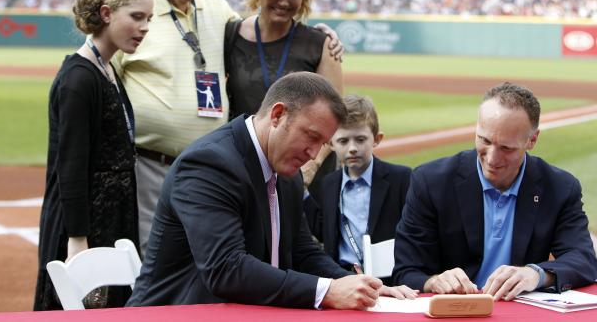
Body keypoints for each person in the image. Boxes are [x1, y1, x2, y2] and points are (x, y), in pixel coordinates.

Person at [112, 0, 343, 253]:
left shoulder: (215, 8)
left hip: (275, 173)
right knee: (169, 256)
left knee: (281, 254)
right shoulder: (137, 10)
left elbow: (333, 117)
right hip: (186, 167)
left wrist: (304, 173)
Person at [127, 72, 417, 309]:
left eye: (323, 144)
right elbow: (226, 269)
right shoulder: (209, 164)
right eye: (311, 136)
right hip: (176, 312)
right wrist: (328, 290)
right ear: (278, 115)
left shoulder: (283, 168)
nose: (314, 154)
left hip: (242, 312)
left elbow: (303, 252)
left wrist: (365, 288)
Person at [393, 82, 597, 301]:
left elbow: (583, 259)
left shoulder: (560, 188)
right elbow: (406, 272)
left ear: (532, 140)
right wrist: (433, 281)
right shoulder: (431, 182)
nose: (492, 158)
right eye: (485, 140)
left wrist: (535, 274)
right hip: (454, 313)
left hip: (520, 312)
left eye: (506, 148)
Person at [34, 0, 153, 310]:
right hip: (85, 228)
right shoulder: (78, 78)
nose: (144, 28)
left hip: (112, 220)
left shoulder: (106, 69)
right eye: (136, 17)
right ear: (105, 13)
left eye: (149, 19)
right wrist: (77, 241)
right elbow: (70, 165)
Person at [225, 0, 343, 119]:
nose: (284, 2)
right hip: (237, 146)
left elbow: (334, 120)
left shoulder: (321, 46)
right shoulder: (231, 35)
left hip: (299, 147)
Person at [304, 95, 411, 284]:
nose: (352, 148)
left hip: (391, 280)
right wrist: (301, 191)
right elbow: (324, 230)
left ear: (376, 139)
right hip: (342, 278)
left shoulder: (401, 178)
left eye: (360, 139)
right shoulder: (329, 183)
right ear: (330, 144)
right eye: (343, 141)